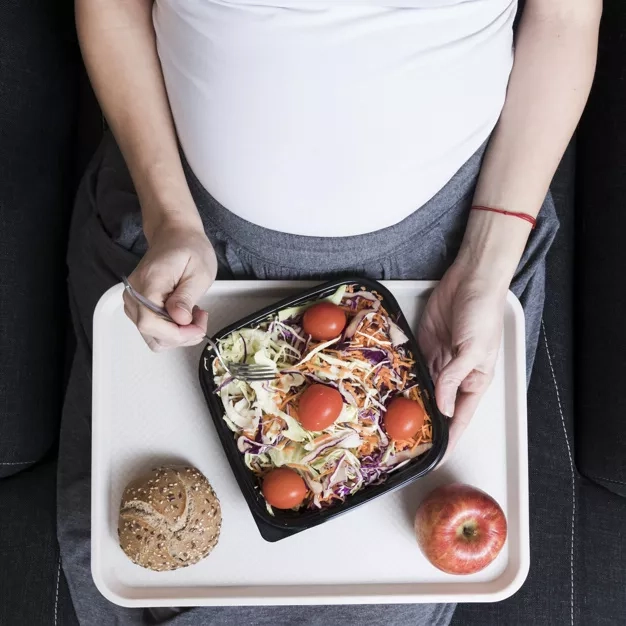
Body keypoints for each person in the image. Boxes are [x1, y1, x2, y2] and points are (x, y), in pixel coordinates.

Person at [59, 0, 601, 624]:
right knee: (136, 564)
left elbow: (564, 20)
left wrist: (484, 263)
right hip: (181, 226)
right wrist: (167, 216)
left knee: (377, 589)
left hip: (453, 250)